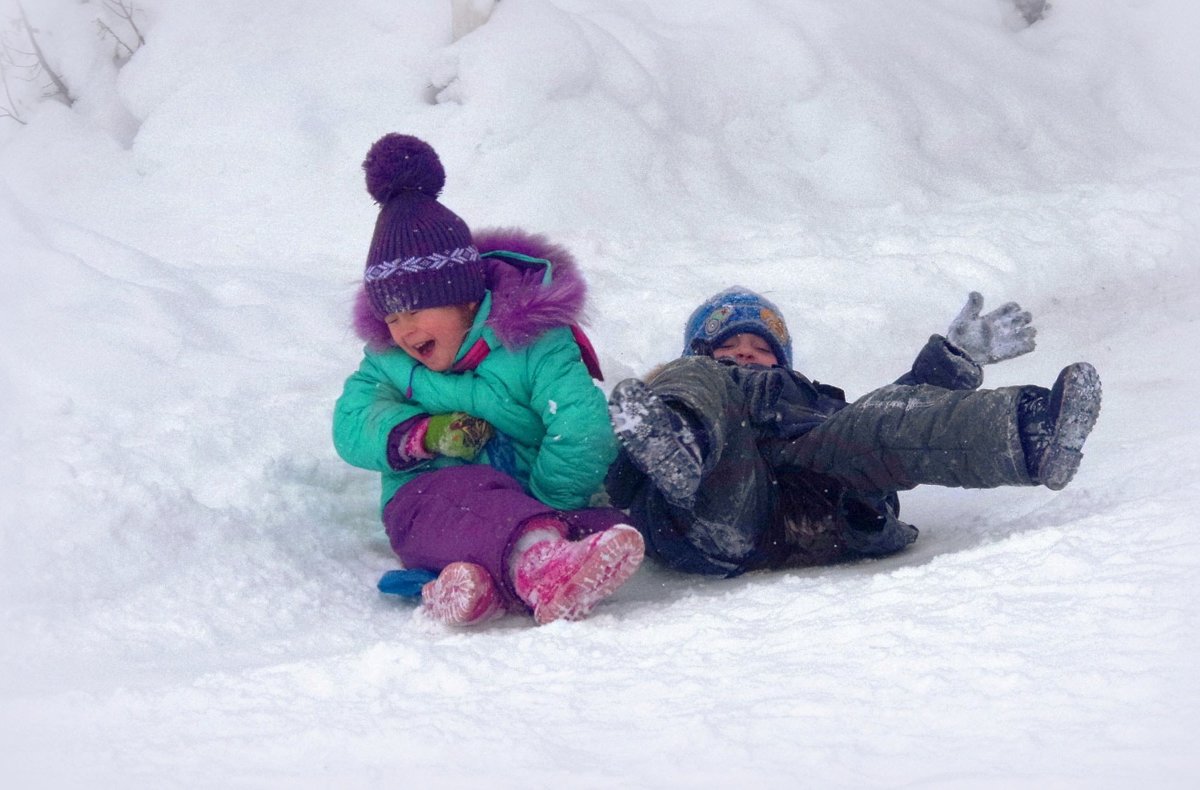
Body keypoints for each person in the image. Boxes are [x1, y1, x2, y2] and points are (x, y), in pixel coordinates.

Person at [333, 134, 643, 626]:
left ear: (462, 298)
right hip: (429, 502)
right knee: (453, 504)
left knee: (611, 521)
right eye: (390, 316)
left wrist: (544, 507)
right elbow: (351, 424)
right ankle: (536, 565)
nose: (403, 329)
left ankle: (496, 579)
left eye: (416, 309)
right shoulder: (387, 360)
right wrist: (422, 435)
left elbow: (580, 425)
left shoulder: (535, 342)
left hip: (534, 494)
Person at [605, 286, 1101, 576]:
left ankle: (1034, 436)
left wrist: (952, 361)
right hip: (718, 505)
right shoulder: (699, 382)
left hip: (828, 514)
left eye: (759, 348)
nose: (742, 355)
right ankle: (687, 444)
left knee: (880, 419)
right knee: (693, 380)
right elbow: (619, 475)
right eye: (726, 346)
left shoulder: (810, 398)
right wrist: (650, 446)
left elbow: (891, 422)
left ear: (782, 360)